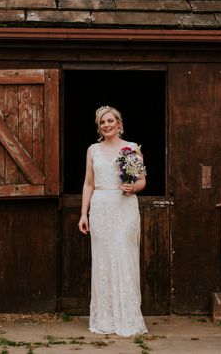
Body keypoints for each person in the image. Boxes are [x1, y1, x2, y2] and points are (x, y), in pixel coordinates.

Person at [78, 105, 147, 337]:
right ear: (99, 127)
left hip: (124, 206)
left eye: (110, 121)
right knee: (103, 259)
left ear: (118, 123)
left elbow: (141, 181)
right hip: (101, 206)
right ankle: (105, 318)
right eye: (102, 122)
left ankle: (127, 316)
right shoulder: (93, 150)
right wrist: (83, 214)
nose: (106, 125)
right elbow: (88, 183)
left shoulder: (131, 148)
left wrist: (132, 187)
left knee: (124, 256)